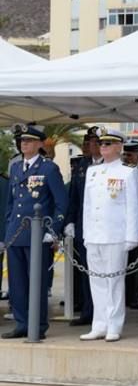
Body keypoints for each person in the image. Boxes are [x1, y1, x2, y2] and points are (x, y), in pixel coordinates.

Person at [2, 125, 68, 339]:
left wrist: (53, 229)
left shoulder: (48, 168)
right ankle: (22, 322)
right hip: (16, 233)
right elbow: (12, 203)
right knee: (17, 282)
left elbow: (61, 202)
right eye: (22, 141)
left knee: (36, 282)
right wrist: (8, 228)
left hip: (38, 233)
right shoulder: (16, 168)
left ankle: (38, 325)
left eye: (29, 141)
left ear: (40, 144)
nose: (24, 144)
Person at [79, 127, 138, 342]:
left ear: (118, 147)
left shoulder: (128, 172)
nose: (102, 147)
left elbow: (133, 206)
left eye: (107, 144)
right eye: (101, 144)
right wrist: (86, 234)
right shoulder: (92, 171)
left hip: (116, 235)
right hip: (95, 234)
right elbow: (87, 206)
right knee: (96, 281)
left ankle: (114, 325)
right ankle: (99, 324)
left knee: (114, 282)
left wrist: (131, 236)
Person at [65, 127, 103, 326]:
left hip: (104, 229)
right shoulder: (81, 165)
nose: (91, 145)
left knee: (105, 274)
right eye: (89, 142)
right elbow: (74, 197)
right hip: (83, 227)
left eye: (96, 142)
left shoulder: (113, 166)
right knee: (85, 272)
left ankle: (104, 313)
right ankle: (88, 311)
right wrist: (70, 221)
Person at [121, 141, 138, 308]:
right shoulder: (119, 174)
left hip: (137, 224)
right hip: (119, 226)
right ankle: (123, 295)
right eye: (125, 154)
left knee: (136, 262)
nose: (127, 157)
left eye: (131, 154)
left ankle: (135, 297)